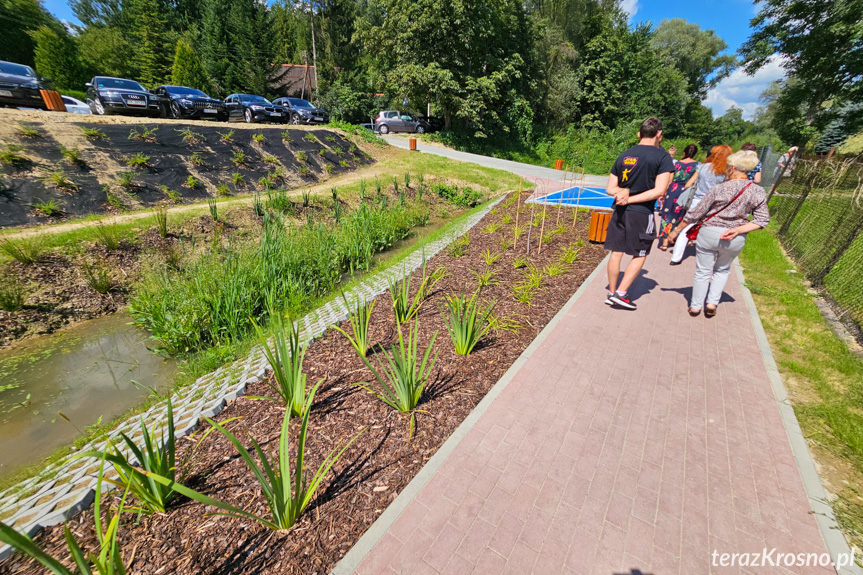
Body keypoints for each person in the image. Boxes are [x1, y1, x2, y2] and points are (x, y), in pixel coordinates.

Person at [666, 150, 769, 317]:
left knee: (703, 271)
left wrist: (676, 230)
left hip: (709, 233)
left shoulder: (719, 188)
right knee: (722, 270)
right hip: (735, 237)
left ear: (733, 167)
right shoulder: (757, 191)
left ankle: (695, 306)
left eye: (728, 167)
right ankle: (712, 304)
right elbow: (762, 220)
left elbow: (696, 213)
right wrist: (738, 229)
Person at [603, 116, 676, 310]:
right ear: (659, 134)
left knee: (616, 252)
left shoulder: (624, 154)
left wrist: (622, 194)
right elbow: (659, 190)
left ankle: (611, 292)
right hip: (642, 213)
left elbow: (610, 188)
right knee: (640, 253)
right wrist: (630, 197)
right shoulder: (662, 157)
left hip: (619, 211)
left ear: (639, 134)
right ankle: (621, 293)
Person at [669, 144, 733, 265]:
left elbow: (690, 184)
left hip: (697, 200)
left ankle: (675, 257)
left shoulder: (703, 167)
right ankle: (711, 258)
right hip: (715, 203)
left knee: (686, 227)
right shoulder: (726, 171)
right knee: (714, 229)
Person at [657, 144, 699, 250]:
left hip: (672, 189)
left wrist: (663, 192)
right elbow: (692, 182)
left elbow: (669, 179)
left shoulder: (675, 163)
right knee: (680, 216)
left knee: (666, 214)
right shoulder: (698, 165)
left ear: (684, 152)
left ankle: (665, 242)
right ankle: (675, 238)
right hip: (685, 192)